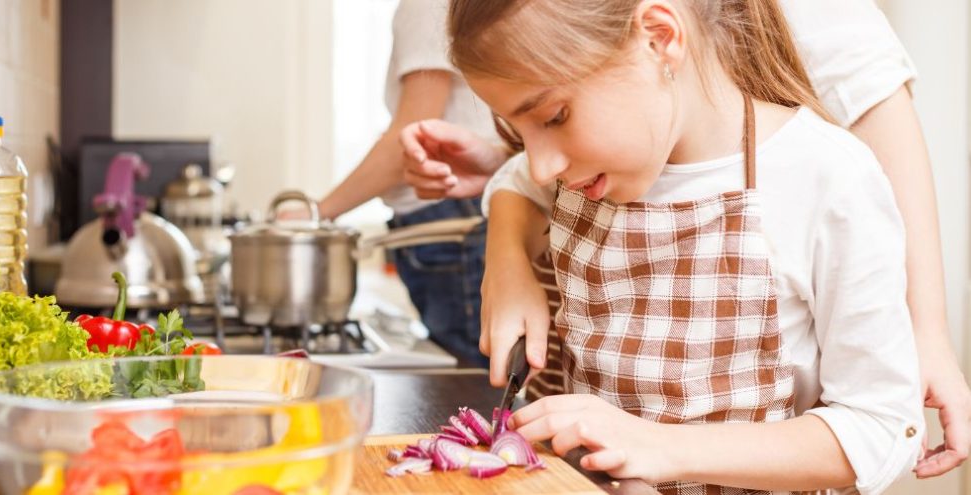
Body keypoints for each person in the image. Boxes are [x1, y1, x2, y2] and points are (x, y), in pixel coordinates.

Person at [400, 0, 971, 481]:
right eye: (519, 130)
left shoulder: (825, 177)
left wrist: (659, 448)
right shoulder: (594, 163)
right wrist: (507, 263)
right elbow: (517, 179)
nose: (544, 163)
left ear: (658, 36)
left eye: (553, 116)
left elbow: (881, 428)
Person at [308, 0, 501, 366]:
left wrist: (315, 213)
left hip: (448, 211)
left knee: (472, 380)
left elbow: (411, 138)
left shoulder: (426, 6)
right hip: (451, 209)